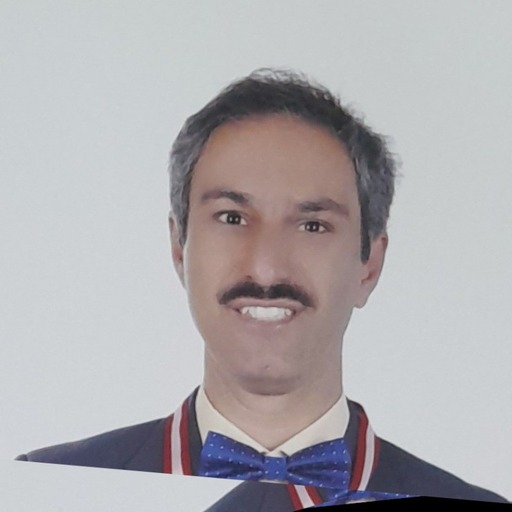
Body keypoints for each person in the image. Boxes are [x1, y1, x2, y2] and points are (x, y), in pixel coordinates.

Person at [16, 69, 507, 509]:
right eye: (232, 218)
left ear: (369, 265)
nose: (267, 269)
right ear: (179, 248)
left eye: (312, 225)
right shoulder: (46, 492)